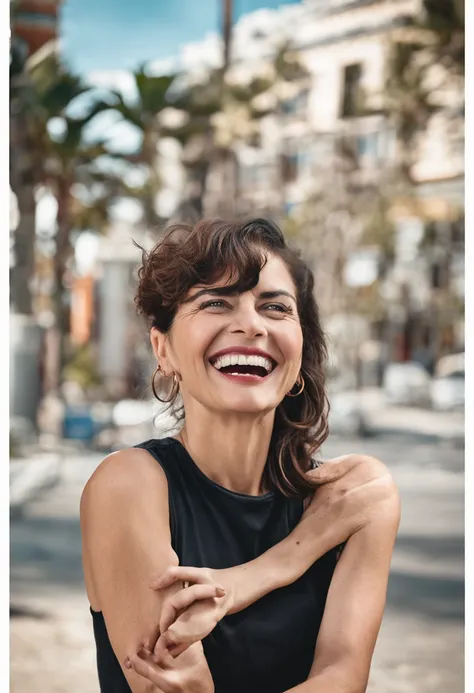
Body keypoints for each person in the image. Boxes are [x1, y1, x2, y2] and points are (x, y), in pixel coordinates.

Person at [80, 218, 400, 693]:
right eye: (215, 303)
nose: (251, 325)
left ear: (299, 357)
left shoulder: (352, 494)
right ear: (162, 349)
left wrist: (262, 572)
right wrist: (299, 552)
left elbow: (343, 678)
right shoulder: (127, 485)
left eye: (275, 307)